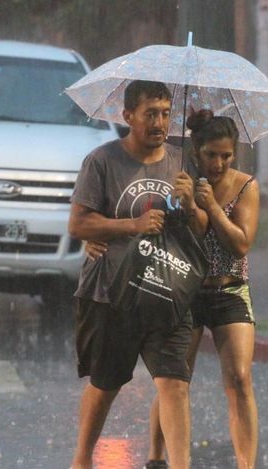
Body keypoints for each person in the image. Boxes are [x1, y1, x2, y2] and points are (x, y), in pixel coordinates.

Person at [87, 109, 260, 469]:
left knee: (240, 379)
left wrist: (211, 205)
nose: (218, 163)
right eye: (211, 154)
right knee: (175, 380)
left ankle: (247, 465)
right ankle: (155, 459)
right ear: (196, 151)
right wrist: (98, 238)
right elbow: (147, 218)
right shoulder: (178, 178)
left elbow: (241, 245)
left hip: (230, 290)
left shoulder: (246, 186)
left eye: (226, 155)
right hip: (184, 291)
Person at [68, 80, 207, 469]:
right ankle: (81, 459)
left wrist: (191, 203)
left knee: (175, 384)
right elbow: (78, 225)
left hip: (167, 292)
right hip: (112, 293)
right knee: (104, 385)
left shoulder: (182, 162)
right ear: (128, 116)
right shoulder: (102, 161)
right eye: (151, 114)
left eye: (165, 113)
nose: (160, 122)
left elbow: (198, 230)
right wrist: (132, 225)